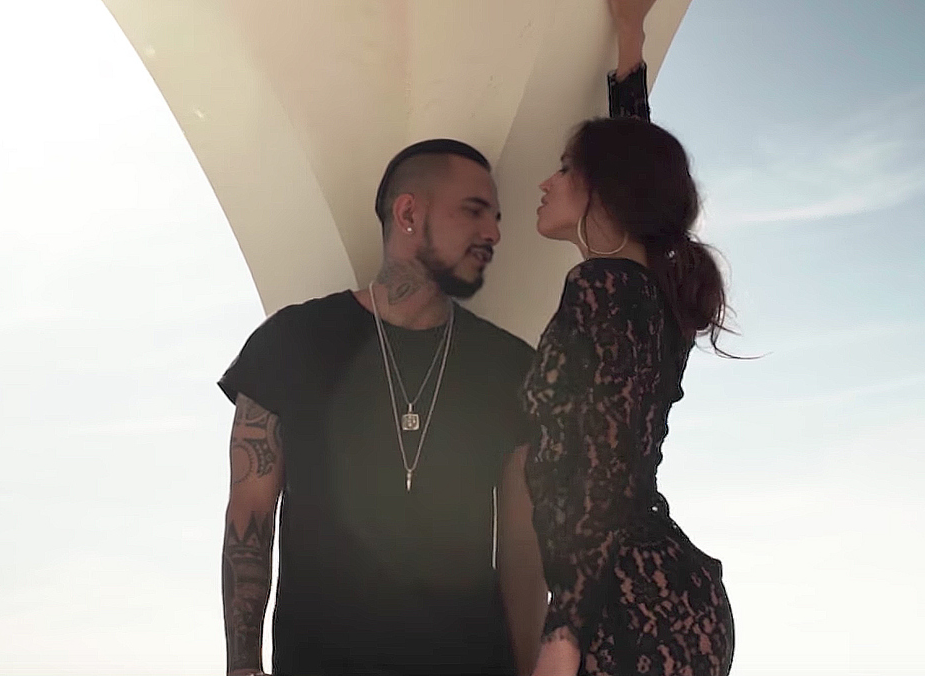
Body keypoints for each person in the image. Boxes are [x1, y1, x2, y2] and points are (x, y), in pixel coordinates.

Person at [218, 3, 658, 673]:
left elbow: (522, 556)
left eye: (497, 216)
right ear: (408, 213)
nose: (495, 232)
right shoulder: (289, 343)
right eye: (473, 211)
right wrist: (242, 667)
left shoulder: (513, 368)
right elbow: (248, 525)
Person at [501, 11, 738, 675]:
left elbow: (604, 471)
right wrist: (629, 40)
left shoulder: (603, 286)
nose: (546, 182)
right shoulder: (650, 289)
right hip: (661, 597)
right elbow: (634, 153)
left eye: (564, 169)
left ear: (606, 189)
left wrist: (564, 630)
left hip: (625, 610)